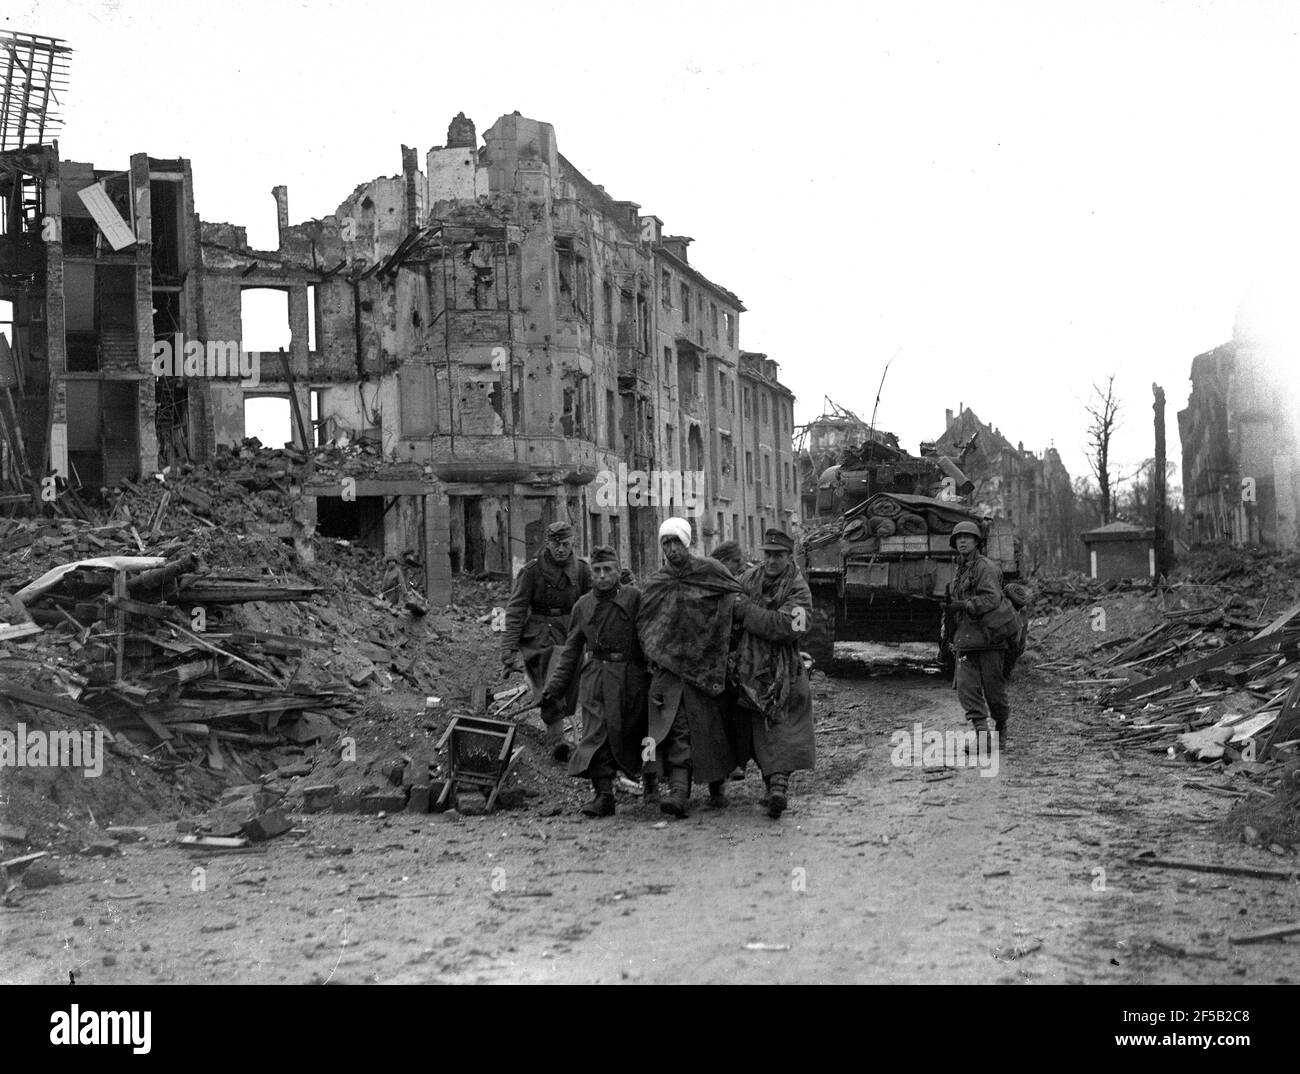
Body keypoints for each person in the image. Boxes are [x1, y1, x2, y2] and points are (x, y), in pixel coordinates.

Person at [637, 517, 742, 817]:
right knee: (676, 728)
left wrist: (721, 640)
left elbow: (734, 599)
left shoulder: (710, 571)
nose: (671, 548)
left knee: (712, 727)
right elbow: (646, 622)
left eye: (676, 542)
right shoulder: (658, 582)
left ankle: (716, 786)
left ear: (687, 542)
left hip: (708, 666)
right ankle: (678, 791)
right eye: (666, 543)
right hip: (670, 670)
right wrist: (657, 653)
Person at [541, 546, 649, 818]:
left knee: (634, 731)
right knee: (594, 734)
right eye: (597, 571)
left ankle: (652, 786)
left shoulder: (635, 598)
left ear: (617, 571)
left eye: (608, 570)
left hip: (629, 677)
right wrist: (554, 688)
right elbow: (571, 651)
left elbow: (649, 638)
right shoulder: (583, 606)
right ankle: (603, 797)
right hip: (596, 677)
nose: (602, 576)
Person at [732, 529, 815, 819]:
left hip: (785, 667)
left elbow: (790, 625)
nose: (771, 560)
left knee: (784, 725)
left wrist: (747, 613)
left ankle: (779, 785)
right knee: (757, 727)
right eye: (767, 554)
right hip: (750, 668)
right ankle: (772, 786)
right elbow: (730, 600)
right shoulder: (749, 579)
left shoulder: (798, 587)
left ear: (788, 556)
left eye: (778, 555)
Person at [501, 520, 592, 761]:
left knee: (569, 682)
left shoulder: (582, 570)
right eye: (555, 544)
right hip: (539, 634)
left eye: (565, 543)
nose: (560, 549)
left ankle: (563, 735)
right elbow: (517, 608)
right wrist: (509, 647)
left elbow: (594, 605)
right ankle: (556, 739)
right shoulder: (532, 571)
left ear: (573, 542)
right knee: (553, 677)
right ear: (547, 544)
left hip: (571, 630)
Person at [948, 520, 1011, 752]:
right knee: (966, 688)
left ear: (977, 542)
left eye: (968, 537)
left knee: (994, 692)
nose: (962, 541)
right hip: (966, 638)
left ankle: (1001, 729)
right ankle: (983, 736)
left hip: (989, 637)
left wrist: (966, 605)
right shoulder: (960, 568)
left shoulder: (985, 567)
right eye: (959, 538)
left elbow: (992, 599)